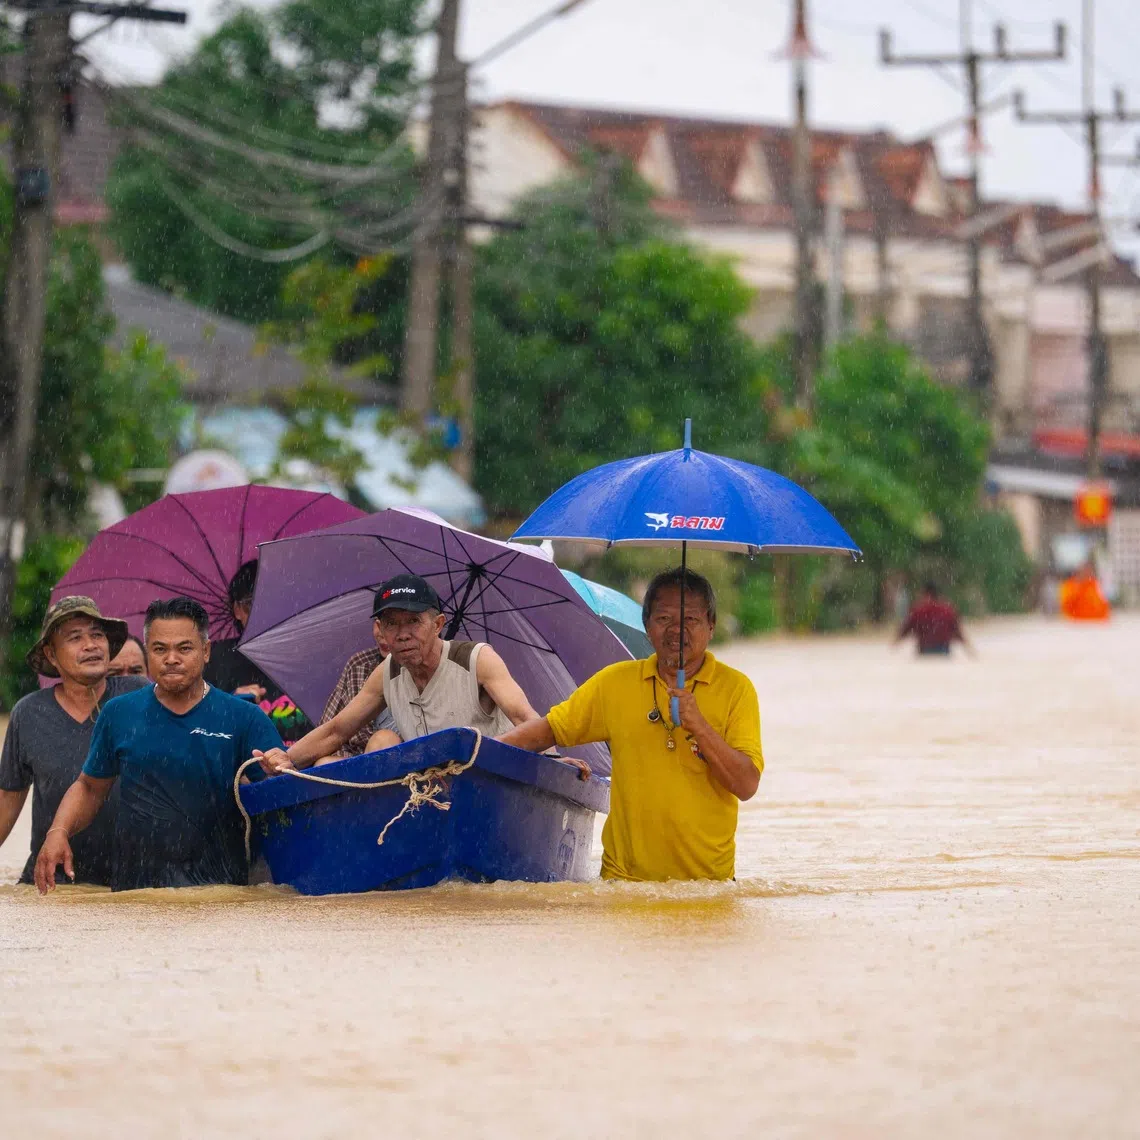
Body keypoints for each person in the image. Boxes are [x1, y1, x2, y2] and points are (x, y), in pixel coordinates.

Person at [499, 568, 764, 883]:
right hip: (624, 887)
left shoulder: (737, 689)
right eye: (664, 619)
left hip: (709, 890)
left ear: (711, 626)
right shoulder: (615, 683)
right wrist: (470, 751)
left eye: (690, 620)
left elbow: (747, 786)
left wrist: (700, 727)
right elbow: (546, 732)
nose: (677, 631)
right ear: (647, 627)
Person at [34, 596, 283, 893]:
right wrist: (58, 832)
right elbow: (89, 788)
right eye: (160, 649)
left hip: (219, 897)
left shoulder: (244, 717)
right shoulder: (119, 714)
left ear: (206, 652)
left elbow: (278, 800)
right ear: (148, 651)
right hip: (135, 897)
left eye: (184, 648)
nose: (171, 658)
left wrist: (277, 771)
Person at [255, 574, 540, 774]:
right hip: (428, 791)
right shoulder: (387, 672)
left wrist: (553, 760)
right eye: (391, 624)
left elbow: (525, 718)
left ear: (438, 624)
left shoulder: (477, 660)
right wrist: (287, 759)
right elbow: (337, 730)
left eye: (414, 622)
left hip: (489, 779)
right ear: (380, 629)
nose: (402, 635)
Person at [0, 597, 147, 886]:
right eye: (75, 637)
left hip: (129, 882)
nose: (91, 645)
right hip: (52, 882)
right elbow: (7, 800)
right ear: (51, 655)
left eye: (97, 635)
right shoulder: (29, 713)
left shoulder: (139, 697)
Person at [204, 559, 313, 745]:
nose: (264, 612)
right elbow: (199, 730)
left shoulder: (309, 657)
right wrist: (229, 705)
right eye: (252, 604)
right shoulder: (213, 660)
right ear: (237, 610)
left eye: (273, 602)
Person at [318, 598, 397, 760]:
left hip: (406, 762)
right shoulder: (360, 664)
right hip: (358, 761)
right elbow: (331, 731)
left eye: (393, 625)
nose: (382, 634)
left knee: (384, 740)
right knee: (324, 762)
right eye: (380, 624)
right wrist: (289, 760)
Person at [894, 581, 973, 656]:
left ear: (925, 593)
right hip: (944, 651)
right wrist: (968, 648)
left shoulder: (918, 610)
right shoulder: (948, 610)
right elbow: (957, 632)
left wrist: (895, 644)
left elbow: (905, 629)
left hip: (924, 651)